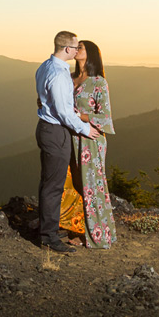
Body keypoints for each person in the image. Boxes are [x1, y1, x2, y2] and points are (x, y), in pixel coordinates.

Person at [34, 30, 100, 252]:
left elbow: (45, 99)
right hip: (55, 131)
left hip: (45, 128)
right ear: (66, 49)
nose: (76, 51)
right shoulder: (60, 74)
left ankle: (47, 228)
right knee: (54, 185)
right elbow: (63, 112)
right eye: (74, 47)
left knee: (48, 182)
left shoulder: (45, 66)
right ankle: (49, 237)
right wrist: (85, 128)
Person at [59, 39, 116, 248]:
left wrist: (81, 116)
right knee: (72, 185)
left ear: (90, 54)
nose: (76, 50)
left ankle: (97, 234)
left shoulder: (99, 82)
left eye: (80, 47)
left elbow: (106, 117)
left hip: (91, 139)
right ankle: (76, 228)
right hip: (70, 138)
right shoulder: (70, 78)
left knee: (91, 186)